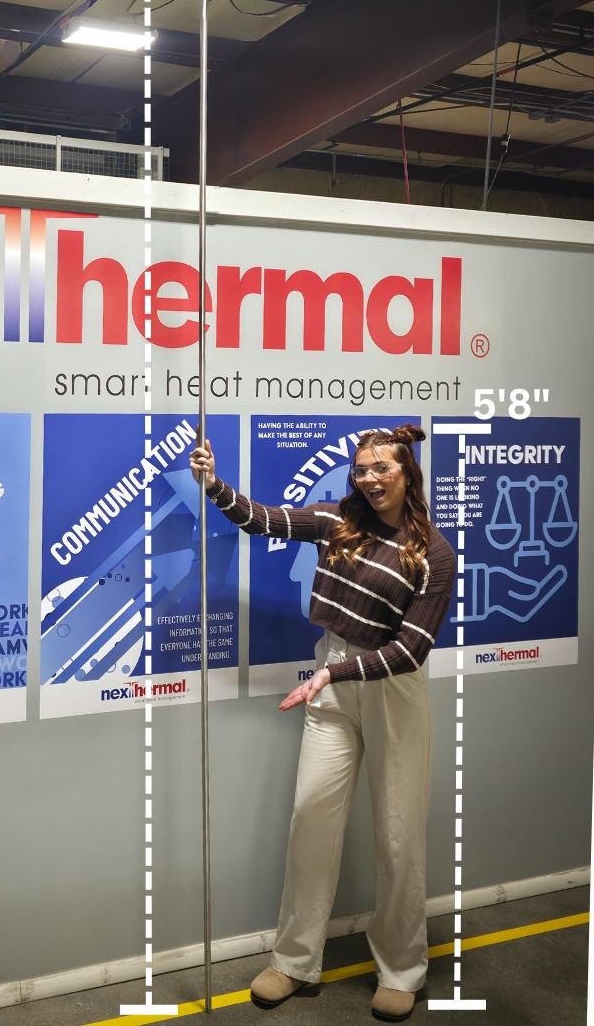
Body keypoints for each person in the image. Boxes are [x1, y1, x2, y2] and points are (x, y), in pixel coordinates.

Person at [190, 425, 455, 1023]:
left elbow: (411, 650)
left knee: (398, 836)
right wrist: (213, 484)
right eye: (361, 469)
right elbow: (262, 520)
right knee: (311, 818)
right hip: (332, 674)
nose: (369, 478)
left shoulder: (434, 553)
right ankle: (294, 962)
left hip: (391, 689)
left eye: (381, 468)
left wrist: (334, 675)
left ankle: (401, 970)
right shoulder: (338, 520)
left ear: (407, 473)